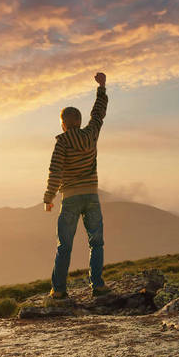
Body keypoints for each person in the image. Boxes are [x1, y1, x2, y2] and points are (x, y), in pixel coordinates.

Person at [43, 71, 109, 299]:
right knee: (96, 242)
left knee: (65, 246)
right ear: (79, 122)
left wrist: (48, 198)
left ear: (63, 124)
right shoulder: (91, 134)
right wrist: (101, 87)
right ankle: (98, 285)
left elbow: (55, 171)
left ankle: (59, 290)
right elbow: (99, 113)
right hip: (91, 197)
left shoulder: (62, 143)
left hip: (70, 199)